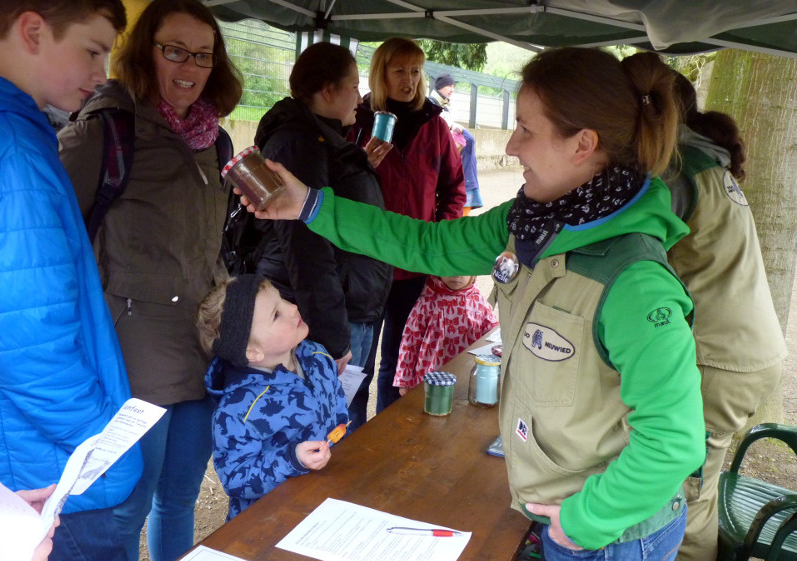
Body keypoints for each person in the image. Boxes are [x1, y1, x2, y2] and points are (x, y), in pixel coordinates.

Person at [241, 47, 707, 560]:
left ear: (583, 144)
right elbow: (426, 243)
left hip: (614, 535)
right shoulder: (531, 221)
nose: (511, 145)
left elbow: (674, 440)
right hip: (558, 513)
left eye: (527, 129)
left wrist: (588, 517)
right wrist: (308, 204)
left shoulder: (634, 280)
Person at [56, 1, 243, 559]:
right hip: (132, 352)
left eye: (203, 55)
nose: (189, 66)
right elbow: (52, 231)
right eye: (174, 50)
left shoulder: (215, 140)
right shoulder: (107, 126)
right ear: (144, 52)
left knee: (180, 495)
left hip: (203, 346)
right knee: (127, 505)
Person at [0, 2, 142, 560]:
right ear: (32, 30)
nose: (101, 73)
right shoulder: (13, 147)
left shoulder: (22, 133)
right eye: (91, 50)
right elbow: (27, 338)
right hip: (52, 478)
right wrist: (105, 448)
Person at [665, 73, 786, 561]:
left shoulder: (676, 175)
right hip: (746, 354)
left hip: (718, 362)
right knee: (699, 482)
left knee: (686, 492)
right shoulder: (708, 164)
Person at [246, 42, 392, 430]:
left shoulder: (320, 139)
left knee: (341, 426)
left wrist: (358, 162)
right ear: (328, 91)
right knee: (320, 432)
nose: (359, 100)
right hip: (328, 316)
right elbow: (306, 249)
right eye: (354, 86)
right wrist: (332, 336)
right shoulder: (298, 143)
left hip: (346, 306)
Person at [349, 37, 466, 417]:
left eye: (416, 71)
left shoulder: (434, 124)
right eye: (399, 70)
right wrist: (360, 164)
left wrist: (439, 238)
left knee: (397, 362)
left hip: (413, 265)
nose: (410, 80)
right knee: (357, 363)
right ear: (380, 73)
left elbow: (454, 189)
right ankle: (348, 439)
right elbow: (334, 188)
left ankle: (386, 433)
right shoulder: (356, 120)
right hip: (363, 264)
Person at [197, 275, 348, 520]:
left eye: (282, 300)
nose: (292, 307)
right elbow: (235, 478)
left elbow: (338, 407)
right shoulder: (237, 410)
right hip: (271, 521)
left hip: (326, 499)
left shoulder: (317, 356)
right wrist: (292, 460)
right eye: (276, 314)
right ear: (252, 352)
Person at [394, 275, 498, 392]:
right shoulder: (426, 302)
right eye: (451, 269)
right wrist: (404, 380)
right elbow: (409, 342)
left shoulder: (479, 303)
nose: (457, 275)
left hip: (466, 374)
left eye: (464, 271)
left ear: (472, 275)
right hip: (430, 375)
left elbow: (493, 334)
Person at [429, 73, 484, 214]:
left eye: (453, 86)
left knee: (469, 140)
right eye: (449, 86)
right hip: (438, 147)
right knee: (468, 142)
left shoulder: (446, 104)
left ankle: (468, 186)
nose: (452, 89)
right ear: (440, 87)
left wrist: (454, 126)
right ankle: (468, 185)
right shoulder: (432, 103)